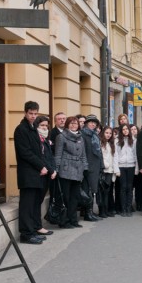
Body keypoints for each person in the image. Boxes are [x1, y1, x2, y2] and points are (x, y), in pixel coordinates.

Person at [13, 102, 49, 244]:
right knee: (26, 205)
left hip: (36, 173)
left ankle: (32, 230)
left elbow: (38, 151)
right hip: (27, 173)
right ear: (25, 113)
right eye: (31, 113)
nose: (33, 116)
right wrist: (41, 166)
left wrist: (42, 166)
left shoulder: (33, 128)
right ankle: (26, 234)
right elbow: (25, 152)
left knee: (34, 204)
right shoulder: (21, 129)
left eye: (35, 113)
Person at [54, 116, 88, 228]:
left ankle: (73, 220)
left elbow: (83, 155)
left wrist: (85, 167)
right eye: (71, 123)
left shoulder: (80, 137)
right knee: (66, 197)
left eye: (76, 124)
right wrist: (56, 169)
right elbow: (58, 154)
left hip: (78, 170)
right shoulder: (61, 136)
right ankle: (65, 221)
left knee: (75, 197)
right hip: (65, 170)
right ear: (67, 125)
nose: (74, 125)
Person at [34, 116, 57, 236]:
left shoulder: (45, 139)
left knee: (40, 200)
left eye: (46, 125)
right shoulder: (37, 139)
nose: (44, 128)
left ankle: (38, 226)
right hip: (40, 174)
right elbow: (42, 158)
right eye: (42, 125)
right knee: (36, 202)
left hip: (48, 173)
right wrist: (51, 170)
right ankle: (37, 226)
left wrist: (54, 170)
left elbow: (50, 156)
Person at [81, 114, 104, 221]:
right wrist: (85, 166)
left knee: (92, 190)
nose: (93, 124)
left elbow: (99, 152)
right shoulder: (82, 134)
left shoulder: (95, 135)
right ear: (86, 123)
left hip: (96, 166)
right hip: (87, 167)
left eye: (95, 123)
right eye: (91, 122)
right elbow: (82, 152)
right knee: (87, 190)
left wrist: (101, 165)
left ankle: (90, 211)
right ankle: (87, 213)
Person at [115, 124, 137, 217]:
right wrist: (116, 169)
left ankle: (129, 208)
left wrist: (136, 168)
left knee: (130, 187)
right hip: (121, 166)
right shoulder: (117, 141)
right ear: (121, 131)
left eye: (127, 129)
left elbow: (136, 154)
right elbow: (115, 155)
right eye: (123, 129)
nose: (125, 131)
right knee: (123, 187)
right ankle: (123, 209)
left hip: (131, 166)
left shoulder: (134, 140)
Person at [98, 126, 118, 218]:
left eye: (110, 133)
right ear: (103, 133)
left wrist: (114, 169)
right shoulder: (100, 143)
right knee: (101, 192)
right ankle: (101, 211)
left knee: (107, 191)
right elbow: (100, 157)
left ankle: (106, 210)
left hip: (110, 171)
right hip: (103, 171)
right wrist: (105, 165)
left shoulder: (111, 144)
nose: (108, 135)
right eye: (106, 133)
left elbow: (114, 157)